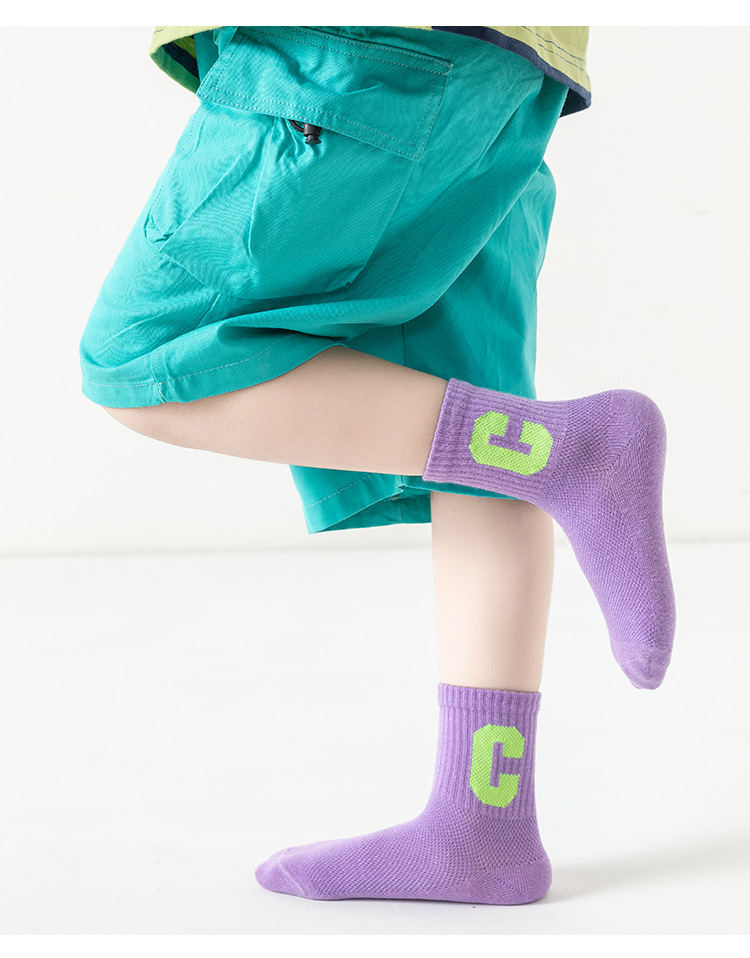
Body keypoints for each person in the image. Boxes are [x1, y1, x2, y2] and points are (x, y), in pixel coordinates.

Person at [79, 26, 675, 904]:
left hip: (356, 51)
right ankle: (483, 827)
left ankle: (573, 453)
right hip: (504, 70)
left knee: (139, 356)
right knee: (483, 434)